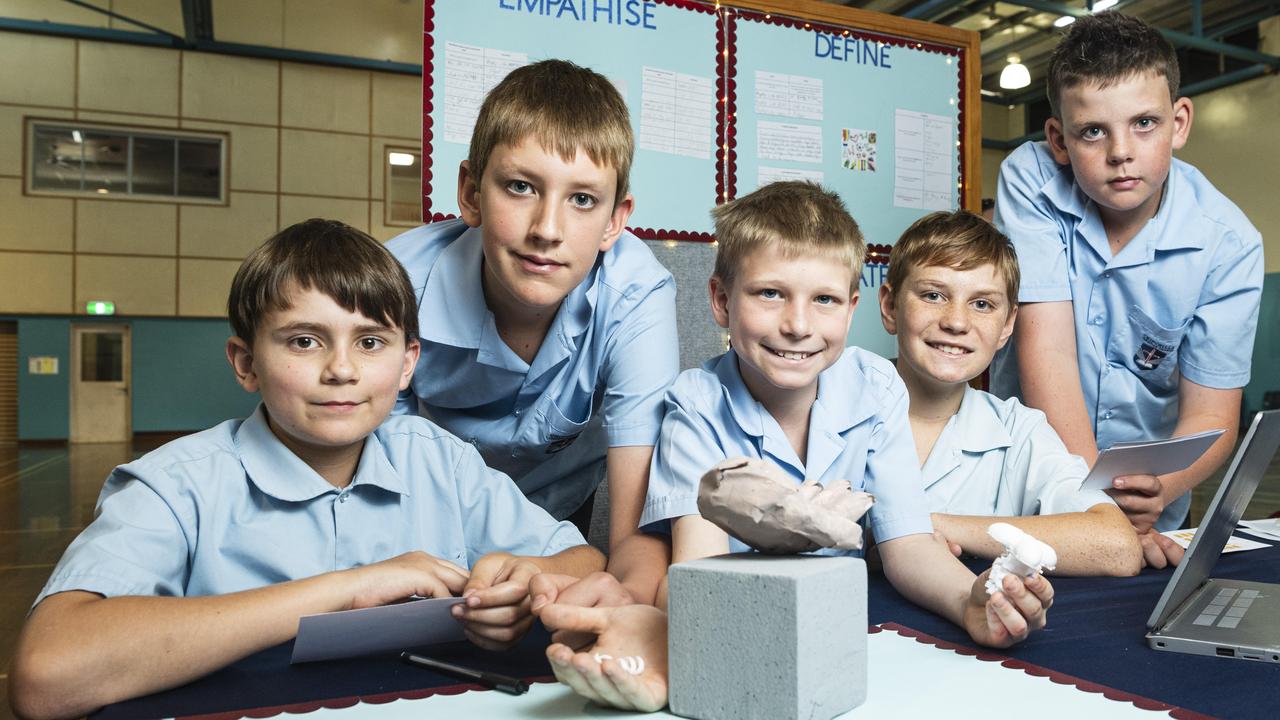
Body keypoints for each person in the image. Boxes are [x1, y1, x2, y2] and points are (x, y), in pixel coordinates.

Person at [9, 220, 603, 720]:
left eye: (370, 343)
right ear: (246, 363)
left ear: (407, 365)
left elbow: (582, 563)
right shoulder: (175, 485)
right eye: (303, 342)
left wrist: (526, 584)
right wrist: (344, 589)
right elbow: (46, 676)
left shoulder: (437, 458)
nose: (341, 370)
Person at [535, 182, 1055, 711]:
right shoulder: (694, 406)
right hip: (741, 630)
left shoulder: (876, 388)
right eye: (770, 293)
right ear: (720, 300)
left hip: (839, 634)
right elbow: (700, 572)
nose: (798, 325)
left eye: (824, 299)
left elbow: (909, 544)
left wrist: (968, 601)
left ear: (851, 309)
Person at [386, 59, 678, 598]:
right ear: (472, 193)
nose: (547, 229)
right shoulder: (396, 285)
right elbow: (390, 486)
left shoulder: (638, 296)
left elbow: (638, 536)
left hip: (563, 511)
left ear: (616, 219)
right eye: (520, 187)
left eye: (583, 199)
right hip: (437, 512)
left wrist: (620, 615)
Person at [988, 11, 1263, 548]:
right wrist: (1092, 509)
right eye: (1093, 131)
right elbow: (1050, 358)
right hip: (1027, 495)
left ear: (1179, 122)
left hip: (1144, 518)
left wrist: (1163, 487)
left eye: (1144, 123)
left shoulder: (1230, 244)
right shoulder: (1031, 179)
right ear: (1059, 140)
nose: (1120, 152)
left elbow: (1212, 412)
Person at [878, 210, 1153, 572]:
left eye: (982, 304)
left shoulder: (1020, 430)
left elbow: (1117, 547)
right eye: (933, 295)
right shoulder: (828, 406)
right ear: (889, 306)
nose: (956, 322)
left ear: (1007, 325)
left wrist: (923, 527)